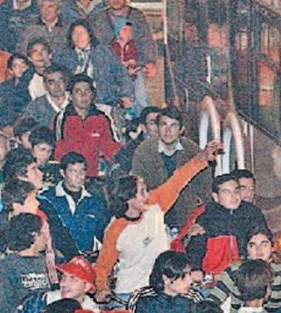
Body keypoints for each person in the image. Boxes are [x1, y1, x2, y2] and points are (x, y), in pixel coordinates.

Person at [93, 140, 221, 299]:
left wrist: (202, 157)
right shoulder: (115, 230)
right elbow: (103, 265)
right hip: (130, 292)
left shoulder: (155, 204)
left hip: (162, 290)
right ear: (128, 199)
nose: (148, 195)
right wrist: (102, 288)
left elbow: (178, 179)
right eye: (142, 192)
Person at [130, 106, 212, 230]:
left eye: (173, 126)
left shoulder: (192, 150)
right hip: (155, 212)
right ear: (158, 128)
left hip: (186, 213)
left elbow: (205, 185)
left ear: (181, 130)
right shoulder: (144, 151)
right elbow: (138, 184)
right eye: (163, 125)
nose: (168, 131)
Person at [186, 172, 269, 275]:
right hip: (214, 274)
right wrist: (196, 269)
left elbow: (263, 239)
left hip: (247, 271)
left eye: (236, 191)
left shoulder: (252, 213)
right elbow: (196, 247)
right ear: (216, 197)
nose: (233, 196)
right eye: (226, 192)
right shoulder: (207, 217)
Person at [52, 75, 119, 178]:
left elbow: (111, 147)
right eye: (78, 92)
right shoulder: (62, 119)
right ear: (70, 96)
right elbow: (59, 150)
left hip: (96, 175)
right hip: (71, 176)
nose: (83, 96)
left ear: (92, 95)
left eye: (87, 91)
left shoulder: (102, 117)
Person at [43, 151, 108, 255]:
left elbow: (104, 234)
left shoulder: (95, 202)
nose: (79, 176)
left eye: (82, 171)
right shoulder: (47, 199)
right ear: (62, 173)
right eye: (73, 171)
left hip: (86, 258)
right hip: (57, 259)